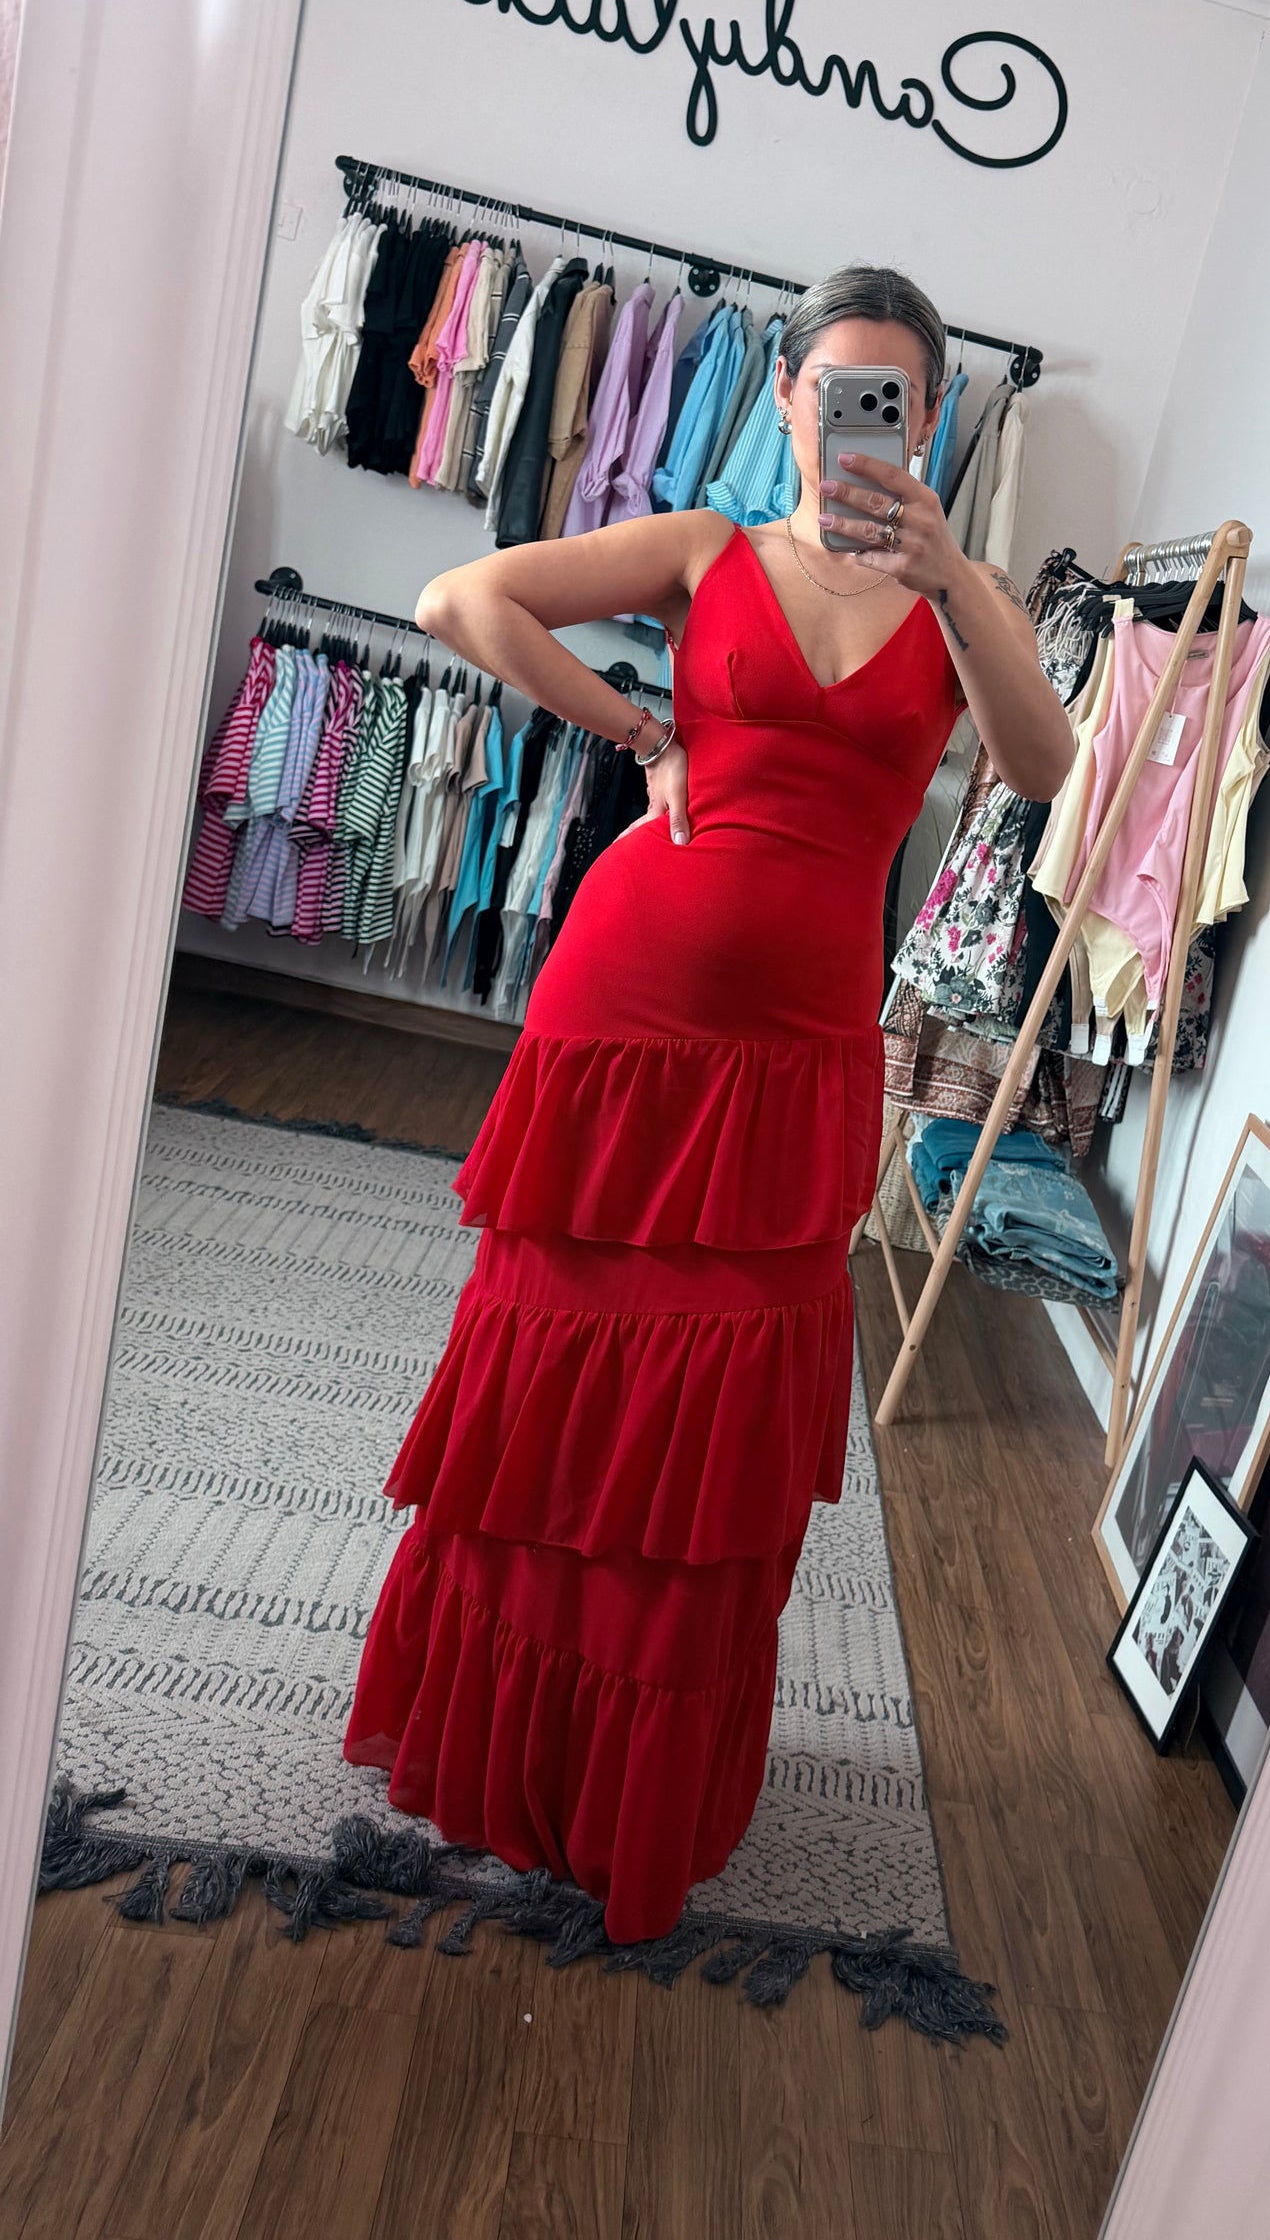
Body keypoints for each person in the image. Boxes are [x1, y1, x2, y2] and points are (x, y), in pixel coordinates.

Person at [343, 266, 1074, 1940]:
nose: (863, 420)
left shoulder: (964, 608)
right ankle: (498, 1749)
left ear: (932, 420)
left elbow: (1042, 771)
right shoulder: (701, 552)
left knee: (717, 1427)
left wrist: (951, 575)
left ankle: (630, 1791)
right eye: (836, 390)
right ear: (789, 400)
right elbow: (462, 597)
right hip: (626, 1012)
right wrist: (639, 731)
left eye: (900, 398)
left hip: (797, 1054)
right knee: (555, 1380)